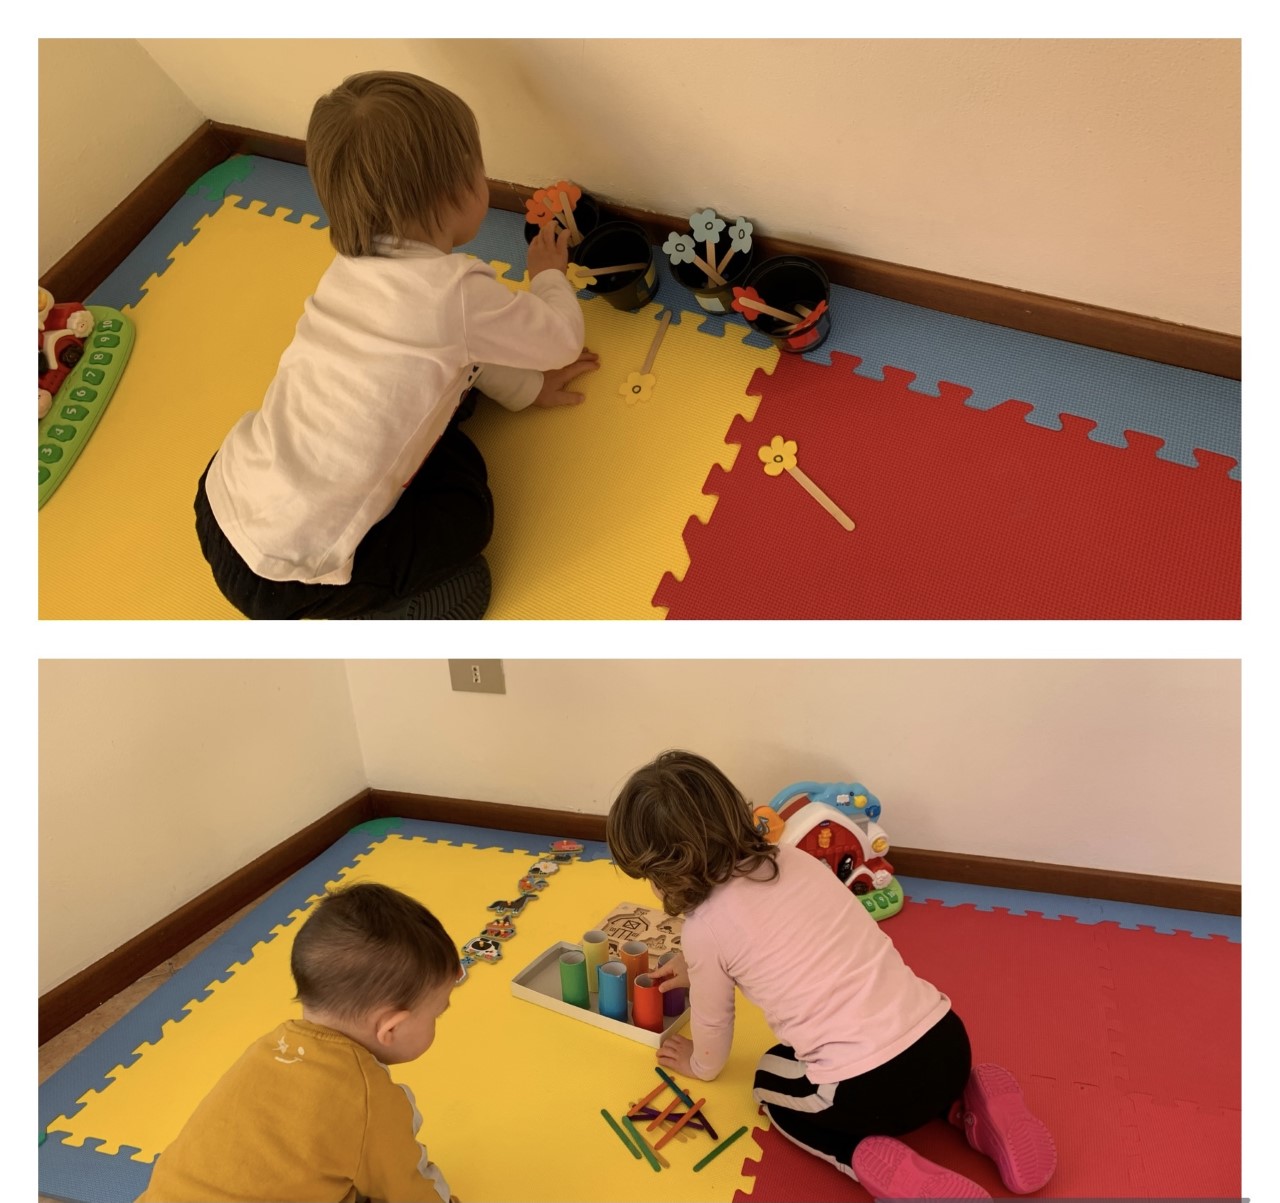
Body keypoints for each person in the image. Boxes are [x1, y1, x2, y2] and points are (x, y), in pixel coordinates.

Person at [194, 70, 599, 620]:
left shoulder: (347, 270)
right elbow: (562, 340)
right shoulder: (456, 292)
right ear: (456, 193)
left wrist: (527, 389)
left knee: (436, 404)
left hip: (224, 498)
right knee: (467, 512)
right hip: (295, 576)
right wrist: (548, 276)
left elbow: (460, 350)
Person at [605, 750, 1057, 1200]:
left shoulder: (704, 929)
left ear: (667, 872)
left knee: (768, 1084)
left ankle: (863, 1160)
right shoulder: (795, 859)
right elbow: (796, 937)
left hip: (869, 1091)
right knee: (905, 1069)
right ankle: (966, 1105)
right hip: (946, 1041)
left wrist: (699, 1065)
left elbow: (714, 1026)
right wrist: (696, 967)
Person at [136, 883, 462, 1202]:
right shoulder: (370, 1098)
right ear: (391, 1028)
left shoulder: (270, 1046)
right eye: (436, 1014)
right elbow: (408, 1186)